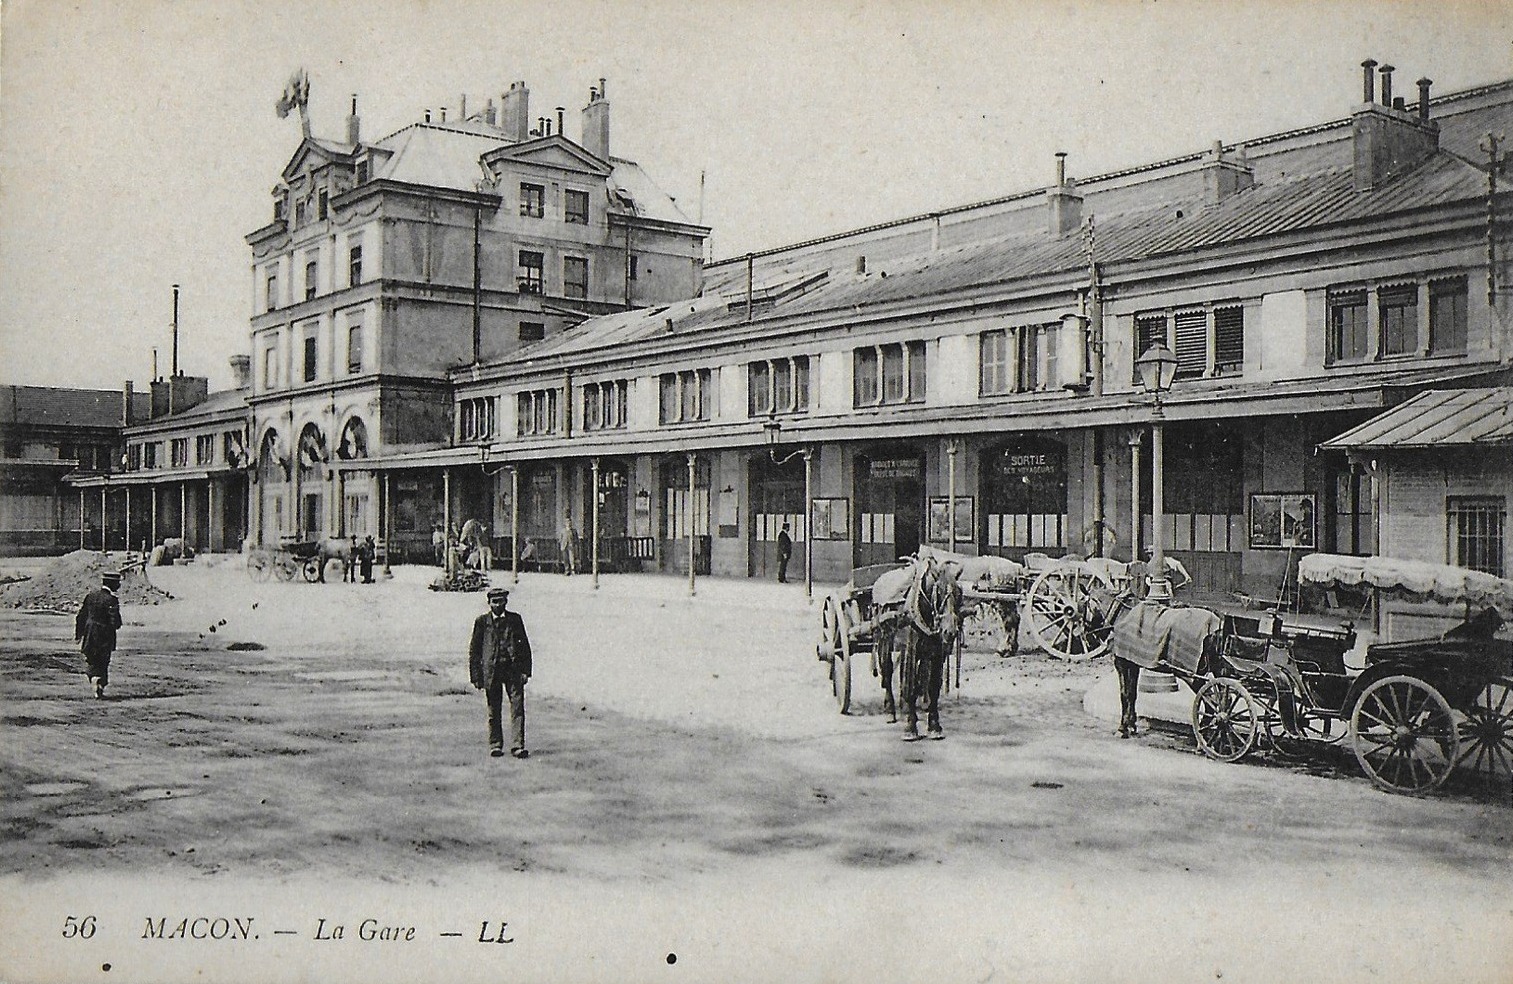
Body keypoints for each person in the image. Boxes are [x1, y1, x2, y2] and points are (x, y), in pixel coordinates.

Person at [468, 587, 532, 759]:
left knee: (517, 708)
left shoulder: (515, 620)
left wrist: (526, 671)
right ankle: (495, 744)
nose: (498, 605)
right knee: (493, 710)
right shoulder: (482, 622)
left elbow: (524, 645)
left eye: (501, 601)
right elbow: (474, 651)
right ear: (488, 603)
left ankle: (518, 745)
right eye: (494, 602)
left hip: (513, 670)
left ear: (506, 602)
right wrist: (476, 676)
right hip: (492, 671)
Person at [75, 570, 123, 699]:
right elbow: (115, 622)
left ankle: (93, 678)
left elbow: (81, 616)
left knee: (91, 659)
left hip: (90, 634)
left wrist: (78, 634)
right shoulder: (112, 600)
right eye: (118, 583)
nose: (119, 585)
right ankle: (99, 681)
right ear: (112, 584)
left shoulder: (90, 596)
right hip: (104, 636)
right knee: (103, 661)